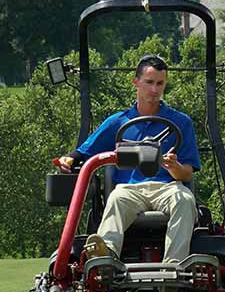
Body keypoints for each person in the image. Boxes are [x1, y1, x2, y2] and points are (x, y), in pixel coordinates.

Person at [56, 54, 200, 262]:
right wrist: (68, 159)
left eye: (160, 83)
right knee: (115, 199)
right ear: (136, 83)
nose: (154, 89)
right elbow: (84, 152)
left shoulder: (180, 122)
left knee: (186, 200)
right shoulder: (118, 122)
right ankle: (106, 259)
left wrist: (174, 166)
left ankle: (174, 266)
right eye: (149, 82)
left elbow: (187, 172)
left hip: (168, 187)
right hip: (129, 189)